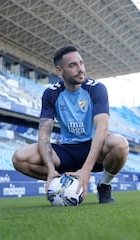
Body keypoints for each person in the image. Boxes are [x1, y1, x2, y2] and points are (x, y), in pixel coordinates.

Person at [12, 45, 129, 204]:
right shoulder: (51, 94)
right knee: (19, 158)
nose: (80, 69)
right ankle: (61, 183)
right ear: (60, 71)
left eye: (81, 63)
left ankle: (104, 185)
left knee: (120, 144)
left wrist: (86, 170)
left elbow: (102, 129)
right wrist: (50, 169)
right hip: (66, 151)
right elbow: (44, 133)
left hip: (93, 148)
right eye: (72, 65)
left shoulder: (96, 89)